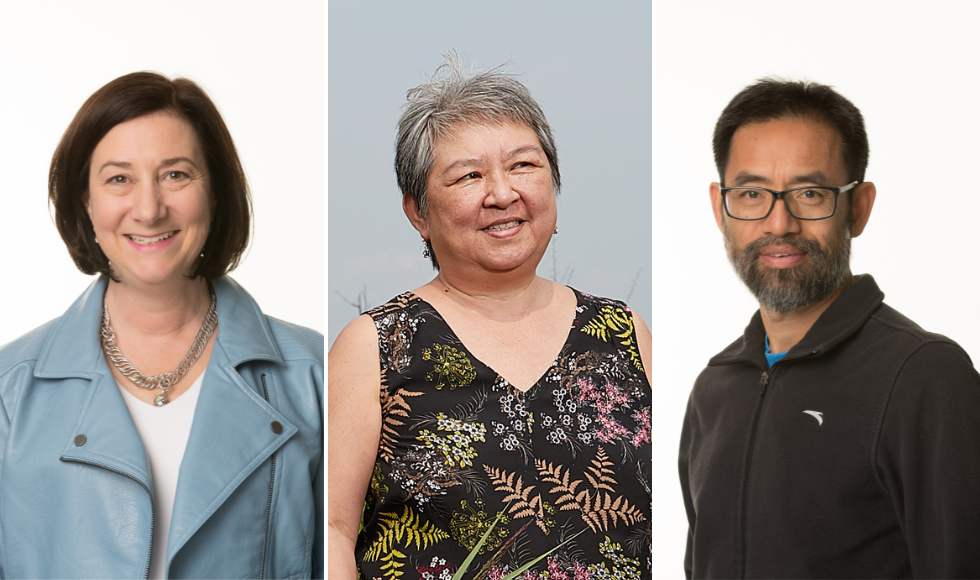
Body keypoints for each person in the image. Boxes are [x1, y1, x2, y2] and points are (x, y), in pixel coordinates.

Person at [329, 57, 653, 578]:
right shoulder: (375, 346)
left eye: (524, 166)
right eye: (469, 176)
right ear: (418, 212)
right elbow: (331, 530)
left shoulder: (624, 333)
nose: (502, 194)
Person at [0, 72, 323, 579]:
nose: (149, 209)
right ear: (86, 201)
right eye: (118, 178)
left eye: (175, 174)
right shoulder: (8, 391)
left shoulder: (314, 377)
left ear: (214, 192)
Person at [679, 78, 980, 579]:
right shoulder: (714, 389)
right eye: (752, 194)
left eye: (810, 193)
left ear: (858, 207)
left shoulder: (924, 376)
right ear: (720, 207)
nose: (779, 223)